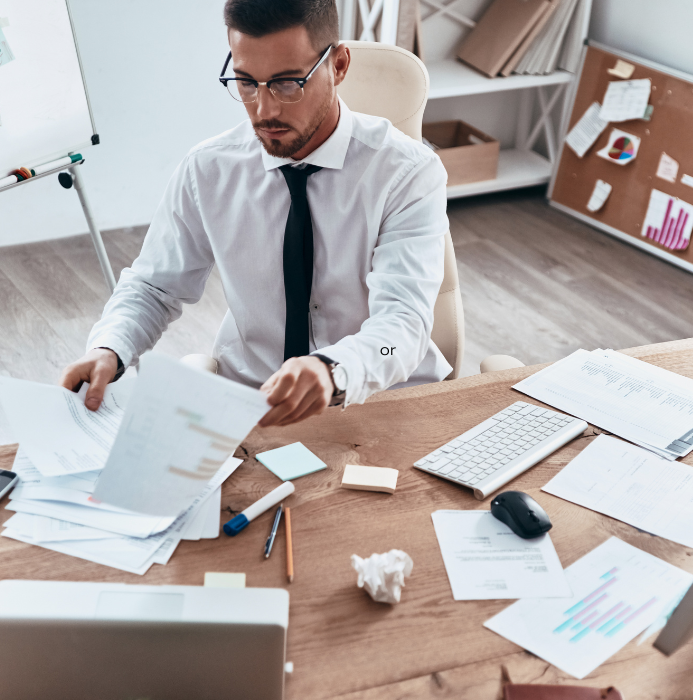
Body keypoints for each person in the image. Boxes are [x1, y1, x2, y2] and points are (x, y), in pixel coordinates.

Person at [59, 0, 450, 427]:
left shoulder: (406, 173)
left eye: (287, 84)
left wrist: (333, 369)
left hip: (381, 401)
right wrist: (110, 348)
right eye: (246, 83)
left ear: (338, 65)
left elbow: (403, 331)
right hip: (254, 407)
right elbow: (155, 287)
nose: (264, 110)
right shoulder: (208, 169)